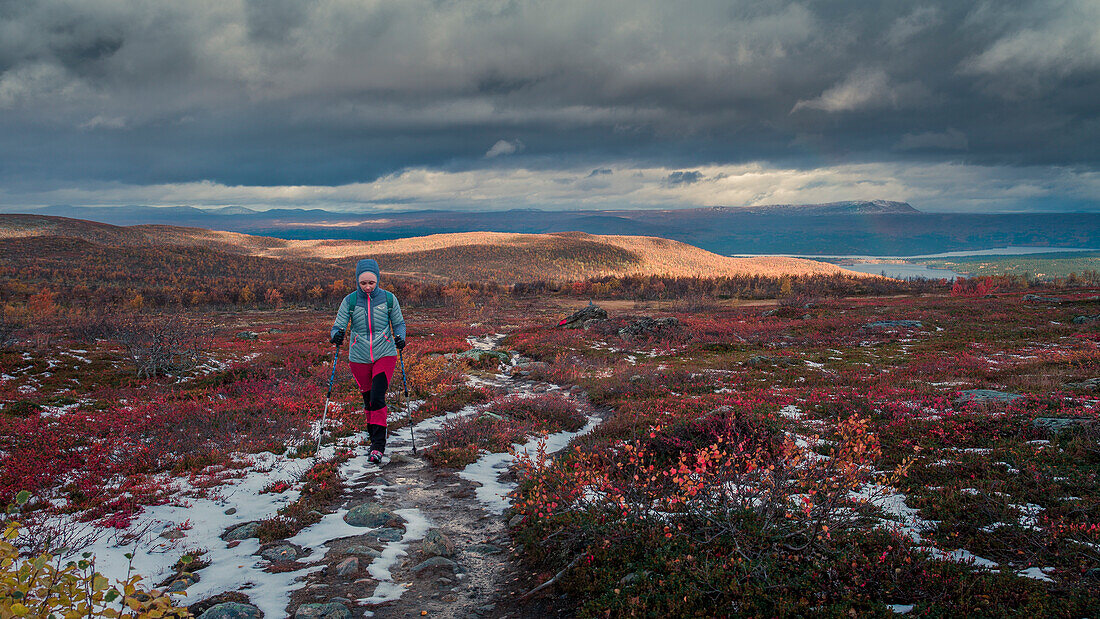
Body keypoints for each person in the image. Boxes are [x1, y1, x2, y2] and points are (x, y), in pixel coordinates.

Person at [330, 259, 406, 464]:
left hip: (385, 352)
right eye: (363, 283)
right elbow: (338, 325)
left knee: (378, 395)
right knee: (368, 399)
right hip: (359, 356)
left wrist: (400, 337)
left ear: (378, 280)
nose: (368, 287)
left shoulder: (389, 299)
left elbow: (398, 323)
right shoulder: (350, 301)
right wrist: (336, 335)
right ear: (357, 281)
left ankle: (378, 446)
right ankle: (373, 434)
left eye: (371, 282)